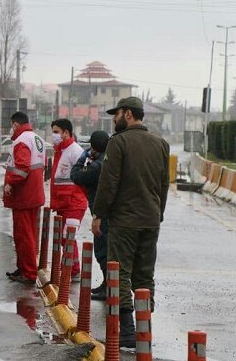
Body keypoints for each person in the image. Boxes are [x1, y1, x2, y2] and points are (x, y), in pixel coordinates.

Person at [91, 97, 169, 348]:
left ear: (127, 114)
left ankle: (127, 331)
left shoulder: (119, 143)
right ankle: (144, 329)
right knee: (145, 276)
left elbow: (108, 182)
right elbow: (164, 184)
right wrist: (158, 213)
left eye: (116, 114)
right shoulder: (161, 144)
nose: (113, 119)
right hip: (150, 220)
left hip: (124, 221)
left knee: (121, 272)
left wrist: (98, 213)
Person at [3, 112, 46, 284]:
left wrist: (10, 183)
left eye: (12, 125)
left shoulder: (21, 141)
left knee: (24, 236)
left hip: (24, 195)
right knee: (26, 235)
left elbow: (22, 167)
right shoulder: (37, 139)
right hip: (34, 194)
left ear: (15, 124)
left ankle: (28, 273)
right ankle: (23, 268)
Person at [70, 130, 110, 300]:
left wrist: (84, 155)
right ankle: (107, 284)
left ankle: (108, 287)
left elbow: (76, 175)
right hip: (111, 212)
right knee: (107, 250)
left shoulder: (96, 167)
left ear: (94, 147)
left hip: (101, 214)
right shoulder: (109, 160)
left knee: (102, 251)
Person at [50, 119, 88, 280]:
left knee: (68, 236)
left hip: (74, 202)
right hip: (63, 202)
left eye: (57, 132)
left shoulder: (75, 151)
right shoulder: (61, 151)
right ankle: (72, 268)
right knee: (64, 238)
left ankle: (73, 270)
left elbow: (84, 176)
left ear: (66, 133)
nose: (54, 135)